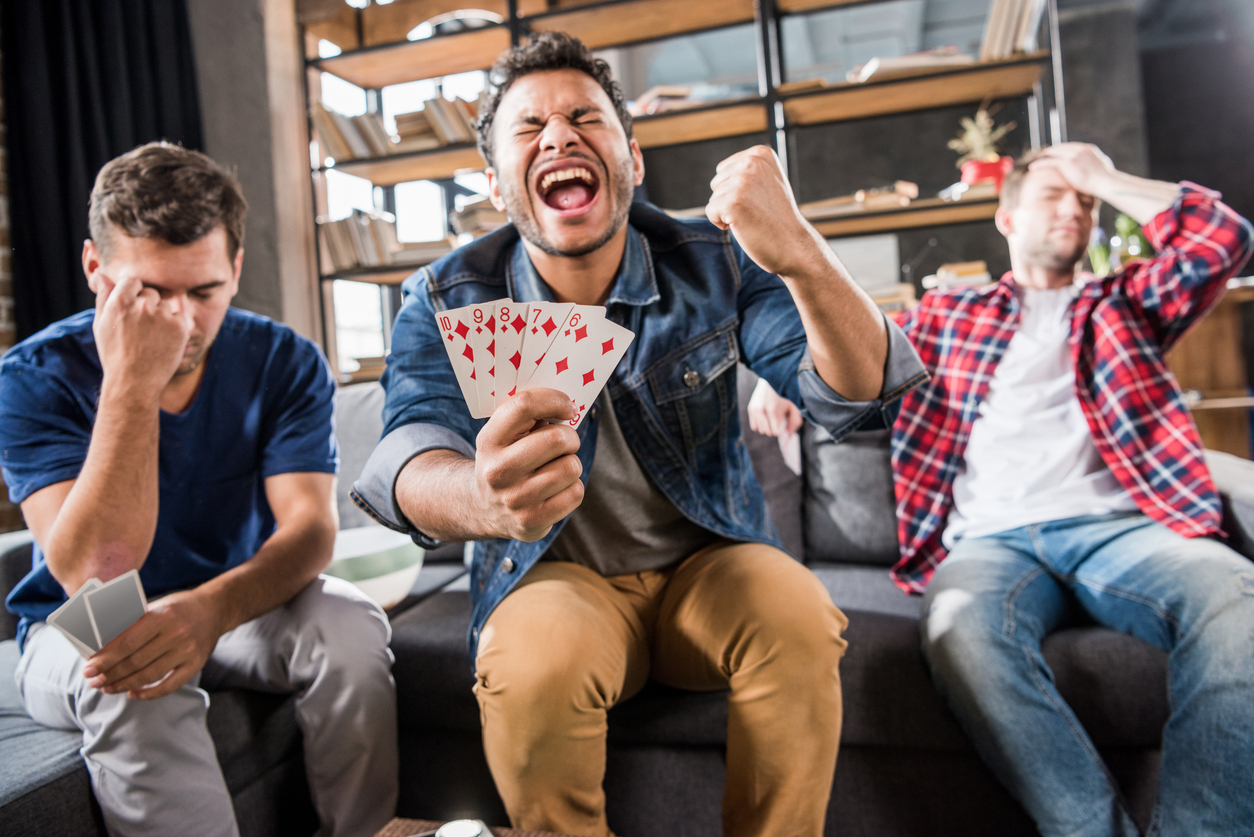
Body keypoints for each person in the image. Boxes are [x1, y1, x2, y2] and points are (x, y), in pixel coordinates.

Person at [351, 32, 925, 837]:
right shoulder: (449, 294)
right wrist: (481, 498)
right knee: (529, 665)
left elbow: (858, 396)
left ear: (633, 158)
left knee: (799, 615)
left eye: (586, 117)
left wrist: (801, 252)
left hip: (710, 565)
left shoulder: (715, 258)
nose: (559, 136)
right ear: (494, 185)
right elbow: (405, 450)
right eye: (530, 128)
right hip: (555, 577)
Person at [748, 143, 1254, 837]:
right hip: (990, 542)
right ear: (1007, 218)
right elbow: (853, 358)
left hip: (1123, 529)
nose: (1074, 208)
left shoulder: (1124, 301)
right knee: (959, 631)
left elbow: (1222, 239)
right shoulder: (947, 313)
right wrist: (787, 378)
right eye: (1053, 194)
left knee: (1240, 602)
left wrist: (1101, 175)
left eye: (1085, 201)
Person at [0, 142, 398, 837]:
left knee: (350, 623)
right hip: (81, 619)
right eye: (150, 294)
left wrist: (212, 610)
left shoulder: (284, 360)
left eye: (204, 292)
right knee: (130, 670)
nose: (180, 322)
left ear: (236, 270)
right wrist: (132, 381)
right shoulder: (34, 375)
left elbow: (309, 530)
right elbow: (95, 572)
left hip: (234, 603)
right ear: (96, 269)